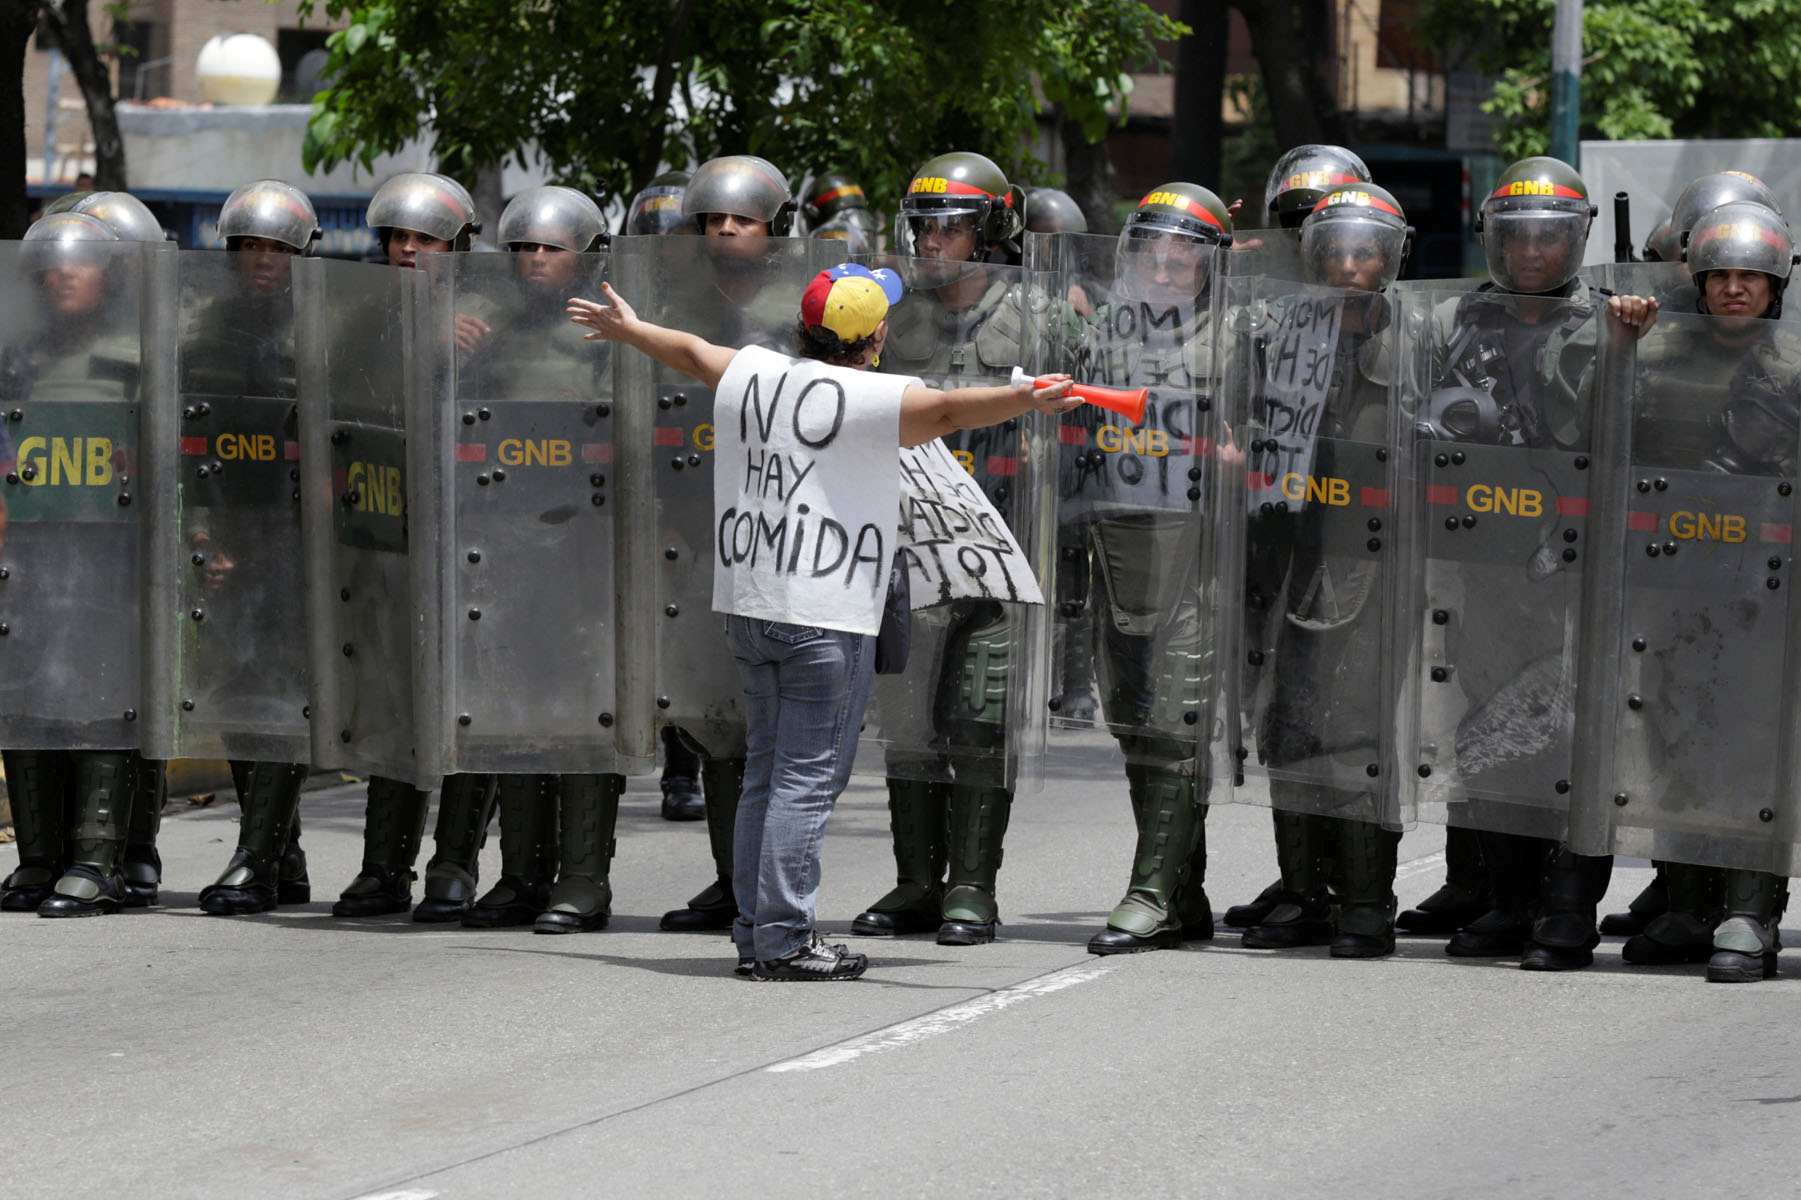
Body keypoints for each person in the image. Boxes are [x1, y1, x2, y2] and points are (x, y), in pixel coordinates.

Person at [567, 265, 1080, 978]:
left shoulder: (755, 373)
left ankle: (756, 931)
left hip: (752, 607)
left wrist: (627, 329)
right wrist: (1027, 396)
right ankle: (783, 939)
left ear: (805, 329)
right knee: (805, 783)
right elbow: (953, 411)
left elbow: (688, 351)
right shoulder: (874, 395)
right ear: (873, 335)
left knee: (766, 778)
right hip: (825, 615)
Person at [851, 150, 1062, 946]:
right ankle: (914, 882)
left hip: (1000, 546)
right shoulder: (887, 316)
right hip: (907, 547)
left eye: (952, 225)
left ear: (992, 227)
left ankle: (971, 887)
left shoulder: (1044, 314)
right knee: (906, 724)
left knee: (978, 720)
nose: (933, 240)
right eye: (924, 225)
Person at [1415, 156, 1606, 968]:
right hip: (1482, 563)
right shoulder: (1453, 320)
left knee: (1577, 732)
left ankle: (1567, 907)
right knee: (1490, 723)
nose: (1530, 250)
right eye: (1516, 235)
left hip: (1580, 565)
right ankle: (1508, 897)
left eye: (1547, 236)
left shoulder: (1611, 325)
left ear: (1576, 240)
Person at [1604, 200, 1799, 982]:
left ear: (1774, 280)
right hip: (1672, 573)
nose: (1733, 289)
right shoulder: (1659, 351)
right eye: (1720, 274)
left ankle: (1749, 910)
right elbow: (1593, 427)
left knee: (1751, 742)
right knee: (1673, 730)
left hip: (1767, 585)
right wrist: (1617, 342)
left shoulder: (1793, 361)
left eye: (1750, 275)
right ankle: (1686, 900)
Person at [1237, 182, 1412, 956]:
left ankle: (1367, 902)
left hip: (1376, 562)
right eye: (1333, 252)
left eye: (1363, 252)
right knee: (1288, 720)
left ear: (1389, 259)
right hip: (1286, 551)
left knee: (1360, 725)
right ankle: (1303, 892)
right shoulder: (1278, 335)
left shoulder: (1421, 340)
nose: (1347, 266)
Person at [450, 185, 627, 933]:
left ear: (585, 258)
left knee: (584, 707)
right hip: (507, 541)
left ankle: (583, 877)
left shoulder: (613, 334)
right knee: (514, 703)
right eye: (521, 247)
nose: (532, 260)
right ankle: (520, 871)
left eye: (550, 247)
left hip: (588, 547)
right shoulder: (487, 332)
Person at [1071, 182, 1234, 954]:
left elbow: (1284, 436)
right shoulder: (1104, 331)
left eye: (1184, 263)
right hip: (1117, 546)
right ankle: (1184, 892)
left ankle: (1148, 890)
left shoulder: (1239, 337)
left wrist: (1244, 455)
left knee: (1177, 720)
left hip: (1199, 555)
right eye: (1154, 259)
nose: (1166, 274)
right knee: (1132, 718)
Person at [331, 171, 499, 921]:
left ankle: (455, 863)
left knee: (467, 705)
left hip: (476, 539)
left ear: (458, 245)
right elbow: (342, 402)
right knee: (393, 698)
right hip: (389, 534)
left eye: (423, 238)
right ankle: (381, 866)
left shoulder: (490, 314)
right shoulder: (363, 317)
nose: (406, 250)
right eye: (396, 237)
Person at [0, 211, 162, 916]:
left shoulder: (138, 357)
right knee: (26, 688)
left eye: (84, 262)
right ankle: (38, 856)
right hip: (30, 552)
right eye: (53, 265)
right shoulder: (18, 357)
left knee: (103, 693)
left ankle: (99, 860)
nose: (64, 273)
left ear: (112, 275)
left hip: (111, 552)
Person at [654, 154, 799, 933]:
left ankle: (769, 887)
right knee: (715, 717)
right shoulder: (681, 302)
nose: (726, 231)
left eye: (741, 219)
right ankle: (729, 876)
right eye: (712, 220)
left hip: (786, 531)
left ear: (775, 226)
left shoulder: (805, 302)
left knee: (777, 718)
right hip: (700, 528)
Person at [183, 179, 322, 915]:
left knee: (281, 687)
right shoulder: (206, 330)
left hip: (306, 536)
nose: (261, 260)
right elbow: (194, 436)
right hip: (233, 532)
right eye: (248, 247)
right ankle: (281, 851)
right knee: (237, 691)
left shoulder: (329, 327)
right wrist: (203, 533)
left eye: (276, 247)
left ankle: (257, 853)